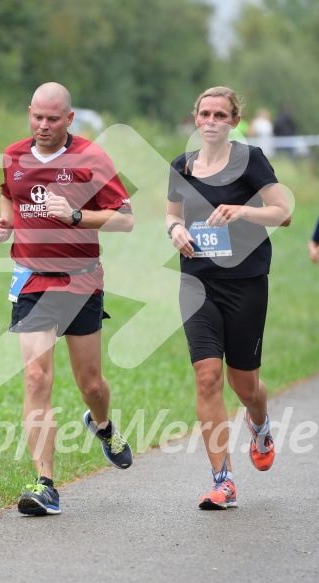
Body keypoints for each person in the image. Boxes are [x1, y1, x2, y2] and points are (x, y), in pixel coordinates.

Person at [0, 82, 134, 516]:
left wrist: (74, 215)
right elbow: (7, 192)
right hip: (32, 281)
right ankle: (44, 483)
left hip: (82, 281)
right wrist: (3, 224)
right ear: (29, 113)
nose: (43, 126)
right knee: (36, 379)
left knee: (90, 384)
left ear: (70, 119)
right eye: (37, 116)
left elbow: (125, 221)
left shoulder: (91, 158)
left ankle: (103, 426)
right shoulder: (15, 155)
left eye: (53, 119)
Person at [166, 86, 291, 510]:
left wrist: (243, 211)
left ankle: (260, 424)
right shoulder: (182, 166)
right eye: (205, 113)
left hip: (246, 282)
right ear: (196, 119)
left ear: (234, 121)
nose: (212, 120)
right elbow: (171, 213)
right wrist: (174, 230)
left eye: (221, 114)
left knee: (245, 384)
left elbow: (283, 212)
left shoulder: (250, 159)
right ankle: (223, 480)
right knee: (206, 377)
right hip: (197, 283)